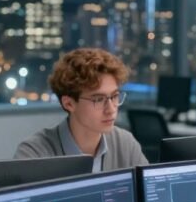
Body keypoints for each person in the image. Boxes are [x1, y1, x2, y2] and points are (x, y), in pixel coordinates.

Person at [15, 48, 147, 170]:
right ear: (69, 104)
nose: (111, 109)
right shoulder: (34, 153)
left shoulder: (125, 143)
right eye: (98, 99)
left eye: (114, 96)